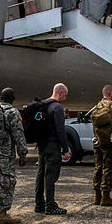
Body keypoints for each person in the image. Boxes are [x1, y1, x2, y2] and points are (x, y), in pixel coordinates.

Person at [0, 87, 28, 223]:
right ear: (13, 99)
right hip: (4, 153)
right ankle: (2, 214)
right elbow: (18, 133)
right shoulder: (12, 112)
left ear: (1, 98)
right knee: (6, 182)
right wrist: (22, 152)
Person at [34, 83, 71, 215]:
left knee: (40, 174)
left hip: (42, 145)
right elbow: (61, 130)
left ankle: (39, 204)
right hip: (52, 146)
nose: (65, 98)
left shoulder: (43, 105)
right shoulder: (57, 107)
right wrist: (65, 150)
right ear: (60, 93)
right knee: (50, 175)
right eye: (65, 95)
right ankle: (50, 205)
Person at [91, 85, 112, 207]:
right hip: (109, 143)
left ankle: (97, 196)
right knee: (109, 168)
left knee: (98, 166)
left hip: (98, 142)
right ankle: (106, 196)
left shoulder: (97, 106)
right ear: (109, 93)